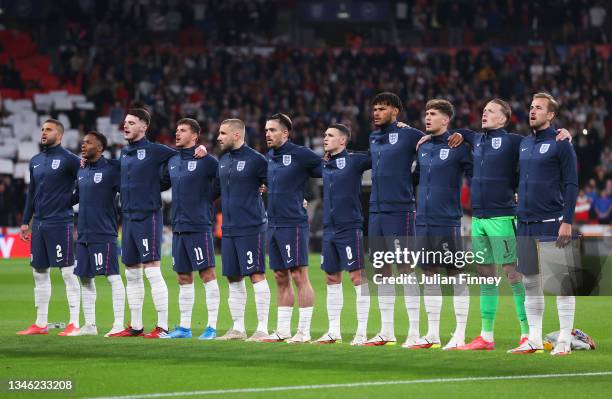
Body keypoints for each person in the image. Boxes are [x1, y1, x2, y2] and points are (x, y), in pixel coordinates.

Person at [110, 108, 205, 338]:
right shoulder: (124, 152)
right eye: (125, 122)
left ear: (144, 126)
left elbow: (180, 156)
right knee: (132, 273)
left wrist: (198, 150)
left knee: (152, 270)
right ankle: (136, 326)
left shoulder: (156, 151)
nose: (126, 126)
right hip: (129, 217)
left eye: (131, 123)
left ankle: (162, 326)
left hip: (148, 216)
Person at [509, 93, 578, 356]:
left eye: (539, 108)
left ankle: (563, 339)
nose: (532, 111)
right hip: (525, 223)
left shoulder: (561, 143)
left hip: (552, 222)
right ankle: (534, 339)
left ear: (551, 115)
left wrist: (567, 221)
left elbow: (571, 183)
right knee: (530, 282)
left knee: (561, 284)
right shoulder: (525, 143)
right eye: (531, 107)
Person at [407, 99, 472, 350]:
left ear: (446, 120)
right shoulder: (422, 147)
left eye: (433, 114)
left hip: (447, 220)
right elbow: (413, 178)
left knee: (455, 273)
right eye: (426, 113)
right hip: (422, 221)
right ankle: (432, 333)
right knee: (429, 274)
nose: (427, 117)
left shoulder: (457, 146)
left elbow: (478, 172)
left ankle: (460, 333)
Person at [365, 92, 425, 346]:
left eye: (382, 108)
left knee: (405, 269)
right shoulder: (373, 136)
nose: (376, 112)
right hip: (376, 210)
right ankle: (386, 330)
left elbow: (434, 144)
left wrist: (414, 180)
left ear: (395, 111)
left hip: (400, 210)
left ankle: (414, 331)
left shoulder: (409, 134)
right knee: (380, 269)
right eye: (374, 108)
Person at [17, 119, 81, 336]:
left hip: (60, 223)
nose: (44, 132)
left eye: (49, 129)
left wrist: (67, 202)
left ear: (60, 135)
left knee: (67, 272)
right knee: (39, 272)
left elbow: (85, 185)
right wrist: (26, 222)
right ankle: (40, 323)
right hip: (40, 224)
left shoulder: (70, 160)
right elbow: (31, 195)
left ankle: (74, 322)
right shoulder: (35, 161)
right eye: (43, 129)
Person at [262, 113, 321, 344]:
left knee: (299, 275)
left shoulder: (300, 154)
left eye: (273, 130)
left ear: (285, 133)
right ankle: (283, 330)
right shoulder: (269, 157)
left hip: (293, 224)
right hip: (273, 223)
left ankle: (304, 331)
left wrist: (303, 197)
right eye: (266, 130)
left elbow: (325, 169)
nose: (268, 133)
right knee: (279, 276)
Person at [159, 118, 220, 339]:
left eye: (182, 130)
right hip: (178, 226)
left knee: (207, 274)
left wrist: (206, 199)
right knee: (183, 277)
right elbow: (161, 183)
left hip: (199, 225)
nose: (177, 133)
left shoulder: (206, 160)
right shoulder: (173, 160)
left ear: (194, 136)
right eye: (176, 129)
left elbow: (223, 179)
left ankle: (211, 327)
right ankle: (184, 328)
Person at [314, 124, 371, 345]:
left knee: (357, 277)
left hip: (349, 227)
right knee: (331, 278)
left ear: (343, 141)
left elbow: (382, 155)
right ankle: (334, 331)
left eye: (330, 135)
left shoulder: (355, 160)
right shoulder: (325, 164)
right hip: (330, 228)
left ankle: (362, 331)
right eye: (324, 134)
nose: (325, 138)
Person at [216, 118, 271, 342]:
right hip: (228, 227)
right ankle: (238, 328)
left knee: (256, 275)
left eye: (222, 133)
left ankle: (262, 329)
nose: (218, 137)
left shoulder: (256, 160)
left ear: (236, 135)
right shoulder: (223, 160)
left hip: (251, 226)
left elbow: (275, 183)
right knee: (233, 277)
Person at [72, 131, 126, 337]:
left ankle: (119, 323)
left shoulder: (113, 168)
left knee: (112, 277)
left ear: (100, 147)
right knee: (85, 278)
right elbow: (76, 197)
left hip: (104, 232)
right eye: (82, 142)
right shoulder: (82, 171)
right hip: (83, 233)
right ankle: (90, 325)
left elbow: (128, 189)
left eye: (88, 143)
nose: (83, 145)